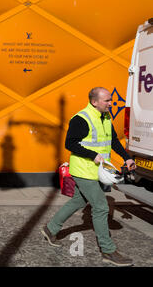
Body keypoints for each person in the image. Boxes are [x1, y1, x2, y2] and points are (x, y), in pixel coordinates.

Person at [41, 87, 136, 267]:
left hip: (97, 171)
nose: (111, 103)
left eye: (110, 100)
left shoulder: (106, 117)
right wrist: (92, 155)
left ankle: (50, 229)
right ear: (95, 102)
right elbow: (70, 143)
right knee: (100, 207)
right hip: (84, 170)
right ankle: (108, 251)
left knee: (77, 201)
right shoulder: (81, 119)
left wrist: (127, 157)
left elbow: (113, 141)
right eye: (107, 100)